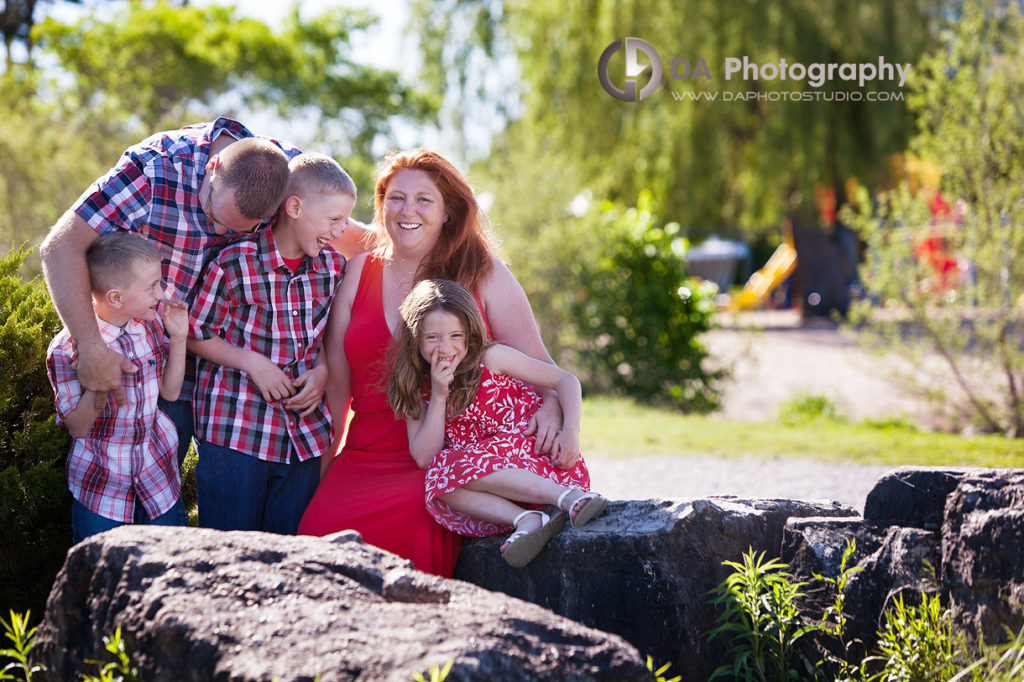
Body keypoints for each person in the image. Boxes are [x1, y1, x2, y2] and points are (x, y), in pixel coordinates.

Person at [39, 117, 371, 468]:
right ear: (214, 166)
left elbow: (352, 235)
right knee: (131, 485)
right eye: (215, 214)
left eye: (241, 229)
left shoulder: (289, 173)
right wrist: (91, 347)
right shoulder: (154, 169)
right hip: (146, 364)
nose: (216, 231)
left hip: (234, 390)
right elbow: (60, 248)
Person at [298, 149, 565, 576]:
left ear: (447, 213)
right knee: (314, 547)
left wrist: (551, 406)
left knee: (409, 573)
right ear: (381, 206)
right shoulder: (357, 272)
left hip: (439, 462)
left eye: (425, 200)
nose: (408, 211)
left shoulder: (483, 273)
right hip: (363, 456)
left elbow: (540, 367)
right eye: (396, 198)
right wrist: (323, 474)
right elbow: (338, 391)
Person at [187, 153, 356, 533]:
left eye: (345, 220)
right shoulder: (235, 262)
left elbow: (327, 334)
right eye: (333, 220)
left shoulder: (332, 267)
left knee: (288, 554)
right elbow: (197, 332)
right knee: (229, 550)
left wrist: (323, 370)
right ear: (294, 207)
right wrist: (251, 362)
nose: (340, 230)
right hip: (235, 432)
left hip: (302, 437)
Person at [387, 279, 607, 567]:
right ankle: (526, 519)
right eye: (432, 338)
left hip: (539, 458)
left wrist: (571, 433)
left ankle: (571, 498)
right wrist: (439, 395)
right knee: (438, 479)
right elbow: (424, 457)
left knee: (450, 466)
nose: (445, 347)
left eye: (456, 335)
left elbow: (565, 380)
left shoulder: (491, 358)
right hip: (497, 483)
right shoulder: (418, 386)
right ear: (415, 338)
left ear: (470, 332)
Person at [45, 231, 189, 543]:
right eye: (152, 286)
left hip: (158, 481)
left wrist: (178, 337)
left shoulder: (148, 326)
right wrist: (101, 383)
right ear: (115, 297)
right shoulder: (67, 349)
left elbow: (171, 393)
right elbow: (78, 427)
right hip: (102, 491)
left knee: (169, 577)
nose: (161, 294)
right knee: (102, 583)